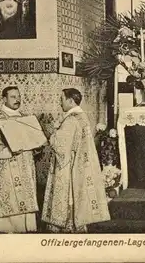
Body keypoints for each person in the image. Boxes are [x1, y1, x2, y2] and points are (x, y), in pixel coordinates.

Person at [41, 88, 110, 233]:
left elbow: (61, 146)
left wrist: (50, 132)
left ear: (71, 101)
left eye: (62, 99)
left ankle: (67, 224)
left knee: (69, 193)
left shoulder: (71, 119)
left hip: (69, 165)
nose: (60, 103)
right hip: (80, 162)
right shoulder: (82, 116)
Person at [0, 86, 39, 233]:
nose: (17, 100)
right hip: (6, 166)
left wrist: (37, 145)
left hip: (25, 166)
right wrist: (11, 148)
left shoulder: (25, 118)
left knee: (25, 198)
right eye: (13, 97)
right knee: (9, 200)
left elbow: (33, 140)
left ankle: (27, 230)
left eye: (19, 96)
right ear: (4, 99)